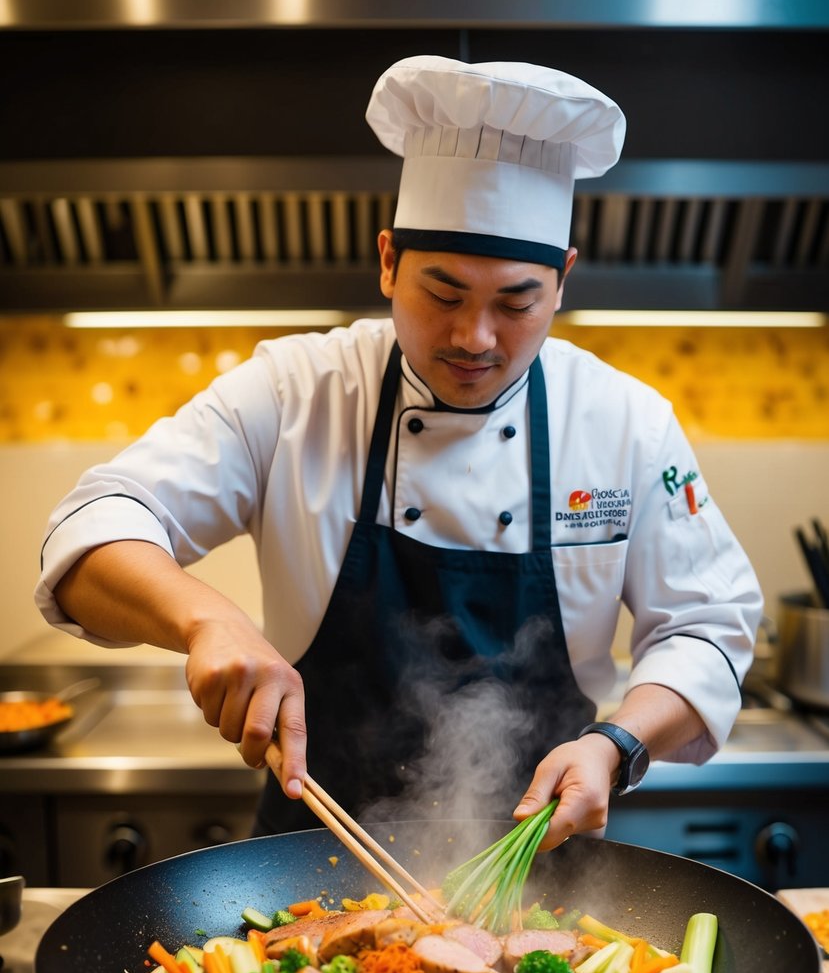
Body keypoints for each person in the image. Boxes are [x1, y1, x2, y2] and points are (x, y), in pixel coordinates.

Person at [35, 56, 763, 850]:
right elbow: (91, 527)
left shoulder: (625, 422)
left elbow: (707, 626)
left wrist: (614, 744)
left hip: (537, 869)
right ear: (386, 260)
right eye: (442, 294)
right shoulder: (295, 391)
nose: (473, 338)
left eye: (516, 302)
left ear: (562, 283)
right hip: (308, 864)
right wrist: (206, 619)